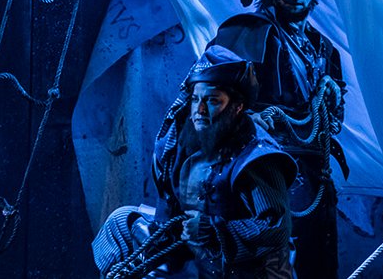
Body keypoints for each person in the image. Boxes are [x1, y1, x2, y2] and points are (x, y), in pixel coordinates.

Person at [92, 46, 296, 279]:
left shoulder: (256, 157)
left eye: (213, 100)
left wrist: (214, 231)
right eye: (196, 99)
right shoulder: (178, 140)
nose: (200, 110)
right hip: (187, 251)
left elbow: (275, 227)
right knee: (121, 221)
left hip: (238, 264)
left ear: (237, 107)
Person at [210, 0, 347, 279]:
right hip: (262, 175)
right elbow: (205, 100)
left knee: (319, 267)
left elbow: (333, 123)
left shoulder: (323, 48)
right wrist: (249, 119)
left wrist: (333, 95)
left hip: (315, 179)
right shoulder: (248, 32)